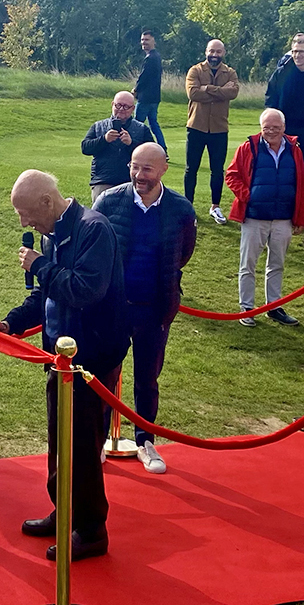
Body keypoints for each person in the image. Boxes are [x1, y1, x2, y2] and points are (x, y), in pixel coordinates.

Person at [0, 171, 128, 561]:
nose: (24, 223)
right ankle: (65, 511)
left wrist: (39, 266)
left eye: (25, 213)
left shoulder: (93, 229)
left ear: (47, 203)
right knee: (59, 444)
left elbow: (85, 290)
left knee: (82, 447)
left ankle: (90, 531)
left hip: (92, 360)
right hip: (61, 360)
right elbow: (46, 295)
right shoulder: (53, 234)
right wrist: (11, 322)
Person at [92, 144, 197, 474]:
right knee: (104, 377)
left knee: (147, 379)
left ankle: (145, 441)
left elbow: (183, 254)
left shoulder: (181, 208)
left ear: (163, 169)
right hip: (112, 308)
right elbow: (95, 247)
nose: (139, 175)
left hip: (154, 310)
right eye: (134, 167)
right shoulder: (108, 201)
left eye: (146, 169)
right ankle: (96, 442)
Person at [225, 109, 304, 327]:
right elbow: (232, 175)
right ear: (261, 128)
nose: (271, 132)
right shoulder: (248, 148)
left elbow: (301, 185)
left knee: (277, 264)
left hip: (283, 218)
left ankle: (274, 306)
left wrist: (300, 217)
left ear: (284, 127)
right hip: (254, 217)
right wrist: (248, 196)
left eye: (276, 128)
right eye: (267, 128)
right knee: (248, 264)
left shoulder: (295, 150)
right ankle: (247, 308)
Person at [184, 39, 239, 224]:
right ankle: (188, 207)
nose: (214, 55)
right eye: (212, 51)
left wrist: (207, 89)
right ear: (206, 51)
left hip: (219, 129)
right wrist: (219, 92)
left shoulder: (230, 72)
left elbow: (232, 93)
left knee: (217, 170)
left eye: (218, 52)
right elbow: (193, 94)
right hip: (196, 126)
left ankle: (215, 207)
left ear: (223, 53)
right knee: (191, 169)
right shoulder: (195, 70)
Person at [81, 92, 153, 203]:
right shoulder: (98, 126)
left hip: (133, 180)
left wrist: (131, 143)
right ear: (112, 105)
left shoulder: (142, 129)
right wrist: (104, 139)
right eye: (118, 105)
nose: (121, 109)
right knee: (101, 216)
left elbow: (152, 154)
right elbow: (85, 148)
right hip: (103, 180)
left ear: (133, 108)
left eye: (126, 107)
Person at [133, 30, 166, 148]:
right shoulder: (157, 57)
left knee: (136, 125)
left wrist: (135, 90)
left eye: (147, 40)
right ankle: (163, 149)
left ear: (154, 41)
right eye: (142, 40)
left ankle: (134, 148)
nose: (144, 42)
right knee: (153, 124)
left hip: (145, 98)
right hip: (154, 97)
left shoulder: (150, 58)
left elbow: (143, 77)